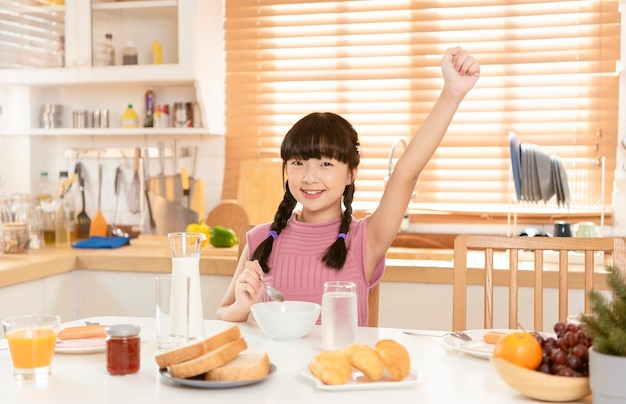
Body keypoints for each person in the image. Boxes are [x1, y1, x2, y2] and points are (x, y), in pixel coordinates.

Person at [215, 46, 480, 326]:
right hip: (275, 370)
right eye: (298, 163)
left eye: (326, 164)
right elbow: (222, 315)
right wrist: (242, 308)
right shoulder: (260, 239)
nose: (309, 176)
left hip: (342, 369)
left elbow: (405, 174)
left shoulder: (365, 240)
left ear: (351, 174)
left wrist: (452, 93)